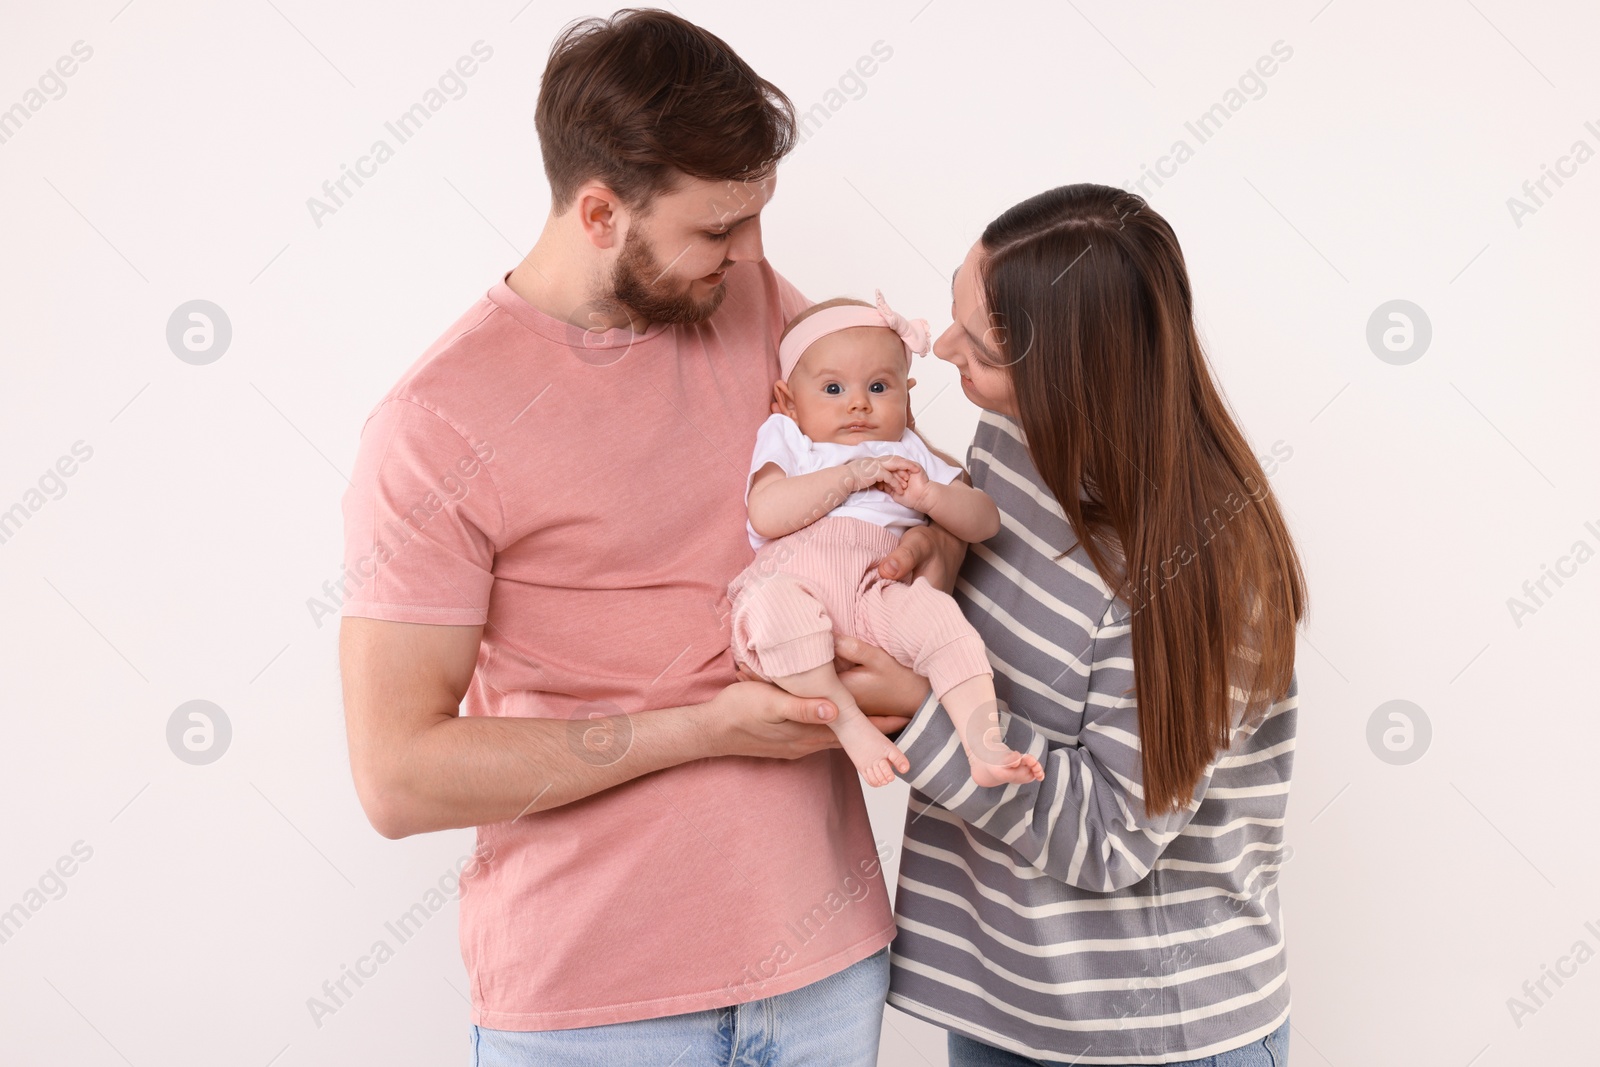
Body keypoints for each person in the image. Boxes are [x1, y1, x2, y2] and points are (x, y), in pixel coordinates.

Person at [334, 10, 963, 1066]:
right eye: (716, 230)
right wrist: (702, 728)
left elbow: (913, 491)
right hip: (596, 1004)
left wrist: (919, 563)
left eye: (755, 220)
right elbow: (398, 774)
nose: (751, 255)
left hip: (825, 967)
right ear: (599, 212)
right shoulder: (433, 426)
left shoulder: (760, 305)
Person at [815, 183, 1307, 1064]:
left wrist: (929, 716)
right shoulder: (1013, 439)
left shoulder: (1202, 568)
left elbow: (1116, 834)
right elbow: (1001, 598)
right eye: (958, 311)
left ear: (1076, 373)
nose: (948, 351)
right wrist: (940, 546)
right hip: (1008, 1009)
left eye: (985, 348)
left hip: (1151, 1034)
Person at [728, 292, 1044, 788]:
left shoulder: (908, 450)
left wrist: (931, 496)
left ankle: (984, 745)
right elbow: (766, 513)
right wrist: (851, 476)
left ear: (906, 397)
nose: (858, 403)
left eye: (878, 386)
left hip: (876, 593)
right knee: (774, 613)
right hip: (794, 582)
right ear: (789, 401)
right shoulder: (791, 438)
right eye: (832, 388)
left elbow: (985, 523)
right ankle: (850, 724)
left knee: (945, 624)